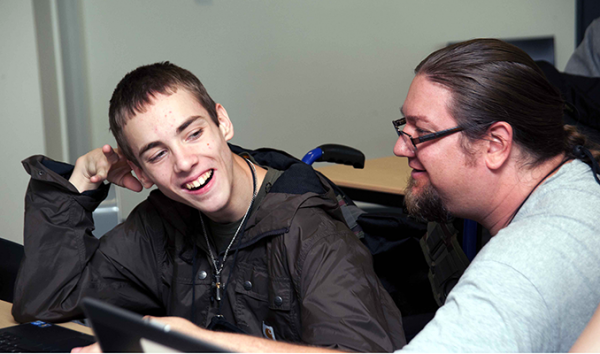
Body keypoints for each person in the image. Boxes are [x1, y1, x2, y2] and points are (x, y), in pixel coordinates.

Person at [12, 62, 405, 352]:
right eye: (157, 154)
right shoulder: (161, 220)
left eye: (194, 133)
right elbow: (48, 301)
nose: (184, 162)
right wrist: (76, 188)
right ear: (140, 171)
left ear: (223, 122)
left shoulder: (309, 229)